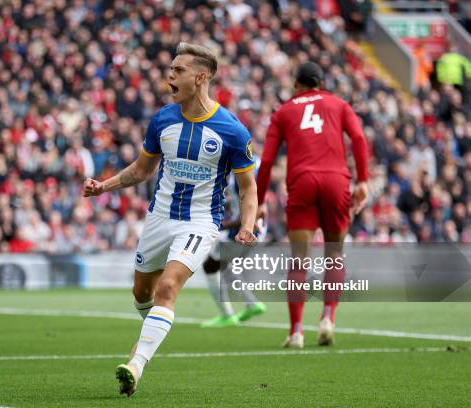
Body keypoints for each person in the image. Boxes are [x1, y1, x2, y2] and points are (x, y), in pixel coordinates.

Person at [83, 42, 258, 396]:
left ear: (201, 77)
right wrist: (104, 186)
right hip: (159, 218)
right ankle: (149, 340)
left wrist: (248, 226)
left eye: (178, 71)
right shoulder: (163, 118)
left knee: (167, 287)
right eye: (171, 69)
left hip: (199, 222)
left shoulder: (233, 131)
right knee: (141, 294)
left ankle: (137, 362)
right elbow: (142, 170)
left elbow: (248, 188)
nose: (169, 76)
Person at [255, 62, 369, 348]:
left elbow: (266, 161)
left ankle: (296, 332)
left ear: (296, 85)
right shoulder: (339, 104)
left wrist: (257, 202)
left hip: (302, 181)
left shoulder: (283, 112)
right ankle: (328, 317)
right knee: (335, 253)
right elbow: (358, 138)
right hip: (336, 181)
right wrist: (363, 180)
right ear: (320, 83)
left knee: (299, 260)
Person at [201, 168, 267, 328]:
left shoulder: (243, 173)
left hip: (245, 231)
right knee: (224, 266)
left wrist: (220, 226)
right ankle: (252, 305)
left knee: (210, 265)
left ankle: (227, 315)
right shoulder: (248, 168)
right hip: (254, 229)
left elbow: (258, 211)